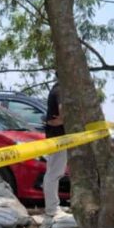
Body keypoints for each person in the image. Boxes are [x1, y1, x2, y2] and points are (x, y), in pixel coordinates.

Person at [43, 80, 67, 217]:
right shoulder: (60, 90)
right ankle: (52, 209)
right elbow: (62, 109)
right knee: (54, 173)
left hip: (58, 136)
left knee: (54, 172)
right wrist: (66, 118)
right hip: (58, 137)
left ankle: (53, 207)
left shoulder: (57, 88)